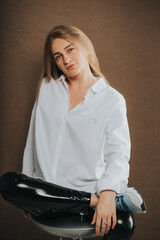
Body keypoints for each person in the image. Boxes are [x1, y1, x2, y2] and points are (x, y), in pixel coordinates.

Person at [0, 25, 146, 239]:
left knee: (125, 222)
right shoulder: (47, 87)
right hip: (45, 197)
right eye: (58, 56)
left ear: (85, 48)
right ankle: (99, 199)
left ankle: (101, 199)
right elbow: (31, 143)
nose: (65, 60)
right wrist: (27, 194)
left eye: (70, 50)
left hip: (80, 207)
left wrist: (107, 193)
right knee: (9, 183)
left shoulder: (111, 100)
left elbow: (118, 154)